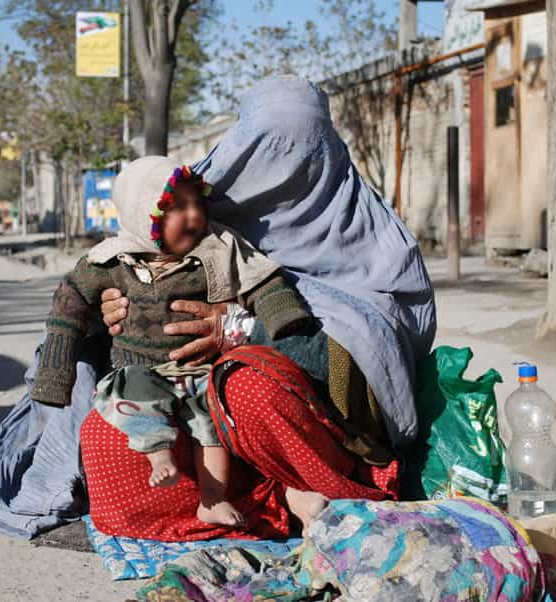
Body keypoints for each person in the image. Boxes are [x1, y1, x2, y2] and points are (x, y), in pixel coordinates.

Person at [77, 76, 436, 541]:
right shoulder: (202, 214)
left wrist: (242, 331)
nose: (283, 165)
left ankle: (314, 495)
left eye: (303, 148)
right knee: (107, 442)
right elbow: (105, 294)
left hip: (320, 435)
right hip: (194, 419)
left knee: (247, 388)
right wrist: (119, 310)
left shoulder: (373, 245)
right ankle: (280, 505)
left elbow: (362, 380)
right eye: (268, 145)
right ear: (242, 146)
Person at [31, 156, 312, 527]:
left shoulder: (220, 247)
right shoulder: (110, 259)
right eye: (176, 207)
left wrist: (283, 318)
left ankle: (212, 498)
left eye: (198, 203)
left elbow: (263, 281)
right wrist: (53, 377)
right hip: (138, 370)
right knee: (134, 398)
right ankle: (159, 457)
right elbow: (67, 309)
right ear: (141, 212)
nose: (194, 216)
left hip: (200, 370)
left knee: (211, 427)